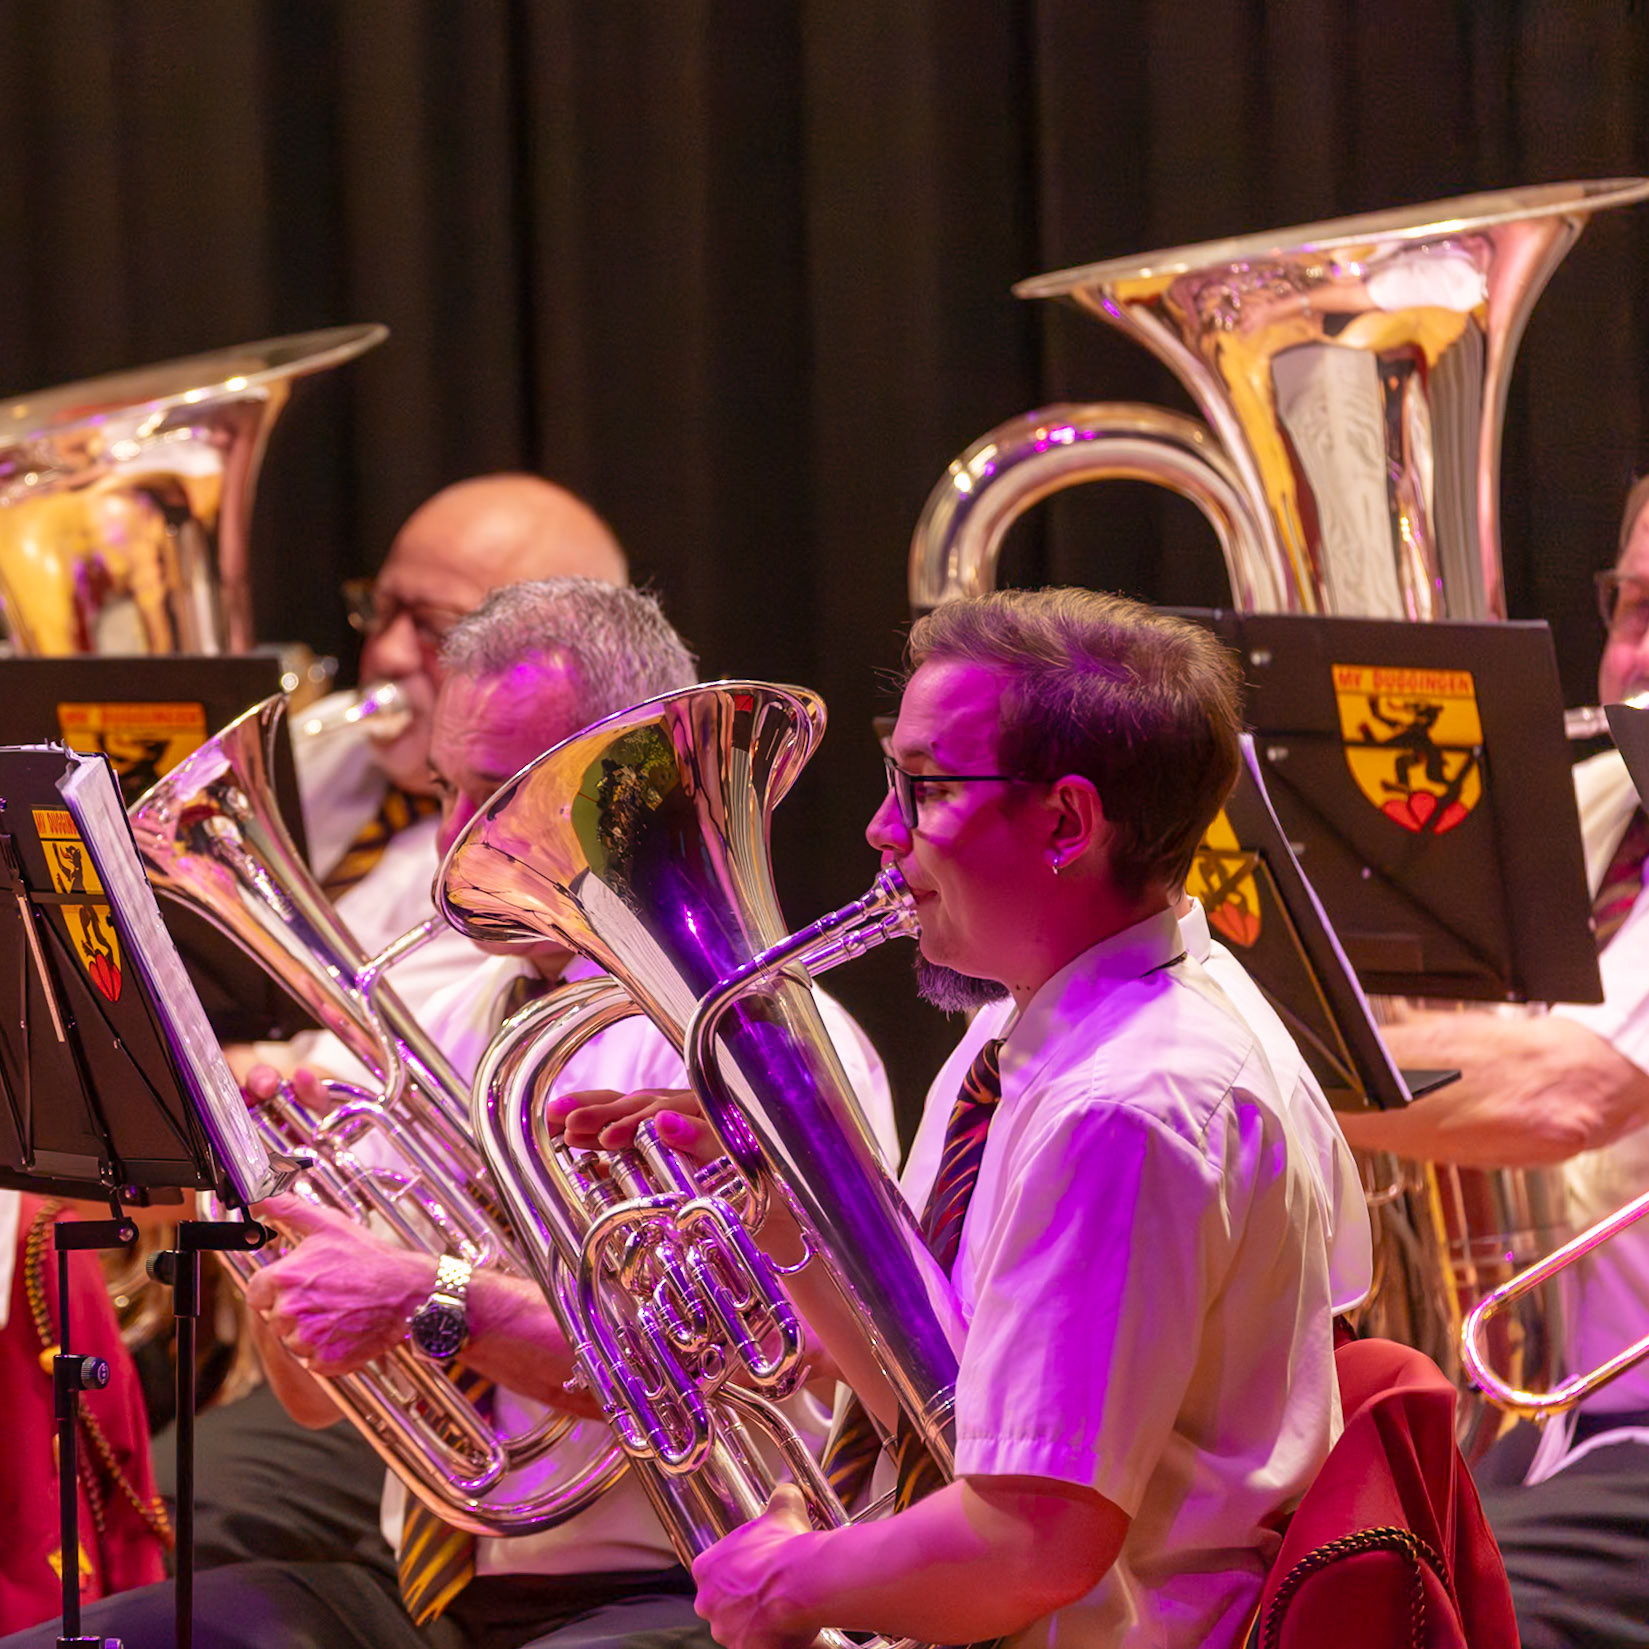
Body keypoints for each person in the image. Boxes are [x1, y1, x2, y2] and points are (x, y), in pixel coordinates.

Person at [4, 578, 894, 1649]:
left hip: (684, 1593)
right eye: (443, 791)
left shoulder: (765, 1045)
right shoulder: (424, 1008)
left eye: (497, 798)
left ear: (625, 779)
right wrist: (275, 1217)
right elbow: (319, 1403)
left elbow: (713, 1365)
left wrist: (432, 1292)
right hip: (432, 1591)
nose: (452, 847)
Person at [565, 587, 1339, 1649]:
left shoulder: (1126, 1106)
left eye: (922, 788)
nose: (880, 829)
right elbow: (923, 1402)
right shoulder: (1019, 1035)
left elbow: (1029, 1542)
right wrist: (783, 1192)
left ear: (1065, 820)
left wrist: (789, 1582)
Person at [1337, 474, 1649, 1649]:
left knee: (1425, 1620)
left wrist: (1245, 1069)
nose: (1639, 661)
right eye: (1632, 608)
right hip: (1538, 1427)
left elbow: (1561, 1091)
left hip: (1631, 1436)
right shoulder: (1564, 809)